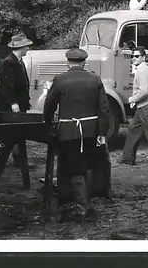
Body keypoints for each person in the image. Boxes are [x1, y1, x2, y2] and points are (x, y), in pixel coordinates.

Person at [43, 48, 111, 223]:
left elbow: (49, 105)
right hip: (91, 130)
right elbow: (104, 108)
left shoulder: (60, 80)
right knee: (87, 165)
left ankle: (80, 206)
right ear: (84, 63)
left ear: (68, 62)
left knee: (72, 165)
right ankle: (80, 201)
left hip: (68, 131)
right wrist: (102, 132)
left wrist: (48, 123)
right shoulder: (95, 79)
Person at [0, 33, 33, 194]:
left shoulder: (18, 62)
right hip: (11, 106)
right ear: (19, 48)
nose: (28, 47)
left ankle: (19, 161)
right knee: (10, 136)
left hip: (19, 105)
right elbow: (6, 86)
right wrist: (13, 103)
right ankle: (4, 165)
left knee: (18, 135)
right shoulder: (8, 64)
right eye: (26, 46)